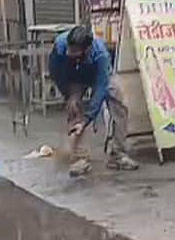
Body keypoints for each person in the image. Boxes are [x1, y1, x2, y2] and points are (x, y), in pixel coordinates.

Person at [48, 25, 138, 176]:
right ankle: (79, 158)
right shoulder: (60, 45)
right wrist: (69, 96)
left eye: (75, 53)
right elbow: (56, 73)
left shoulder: (100, 54)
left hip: (97, 74)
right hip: (74, 75)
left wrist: (88, 118)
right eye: (69, 51)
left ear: (87, 49)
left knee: (118, 103)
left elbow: (101, 87)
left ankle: (118, 154)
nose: (70, 54)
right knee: (74, 107)